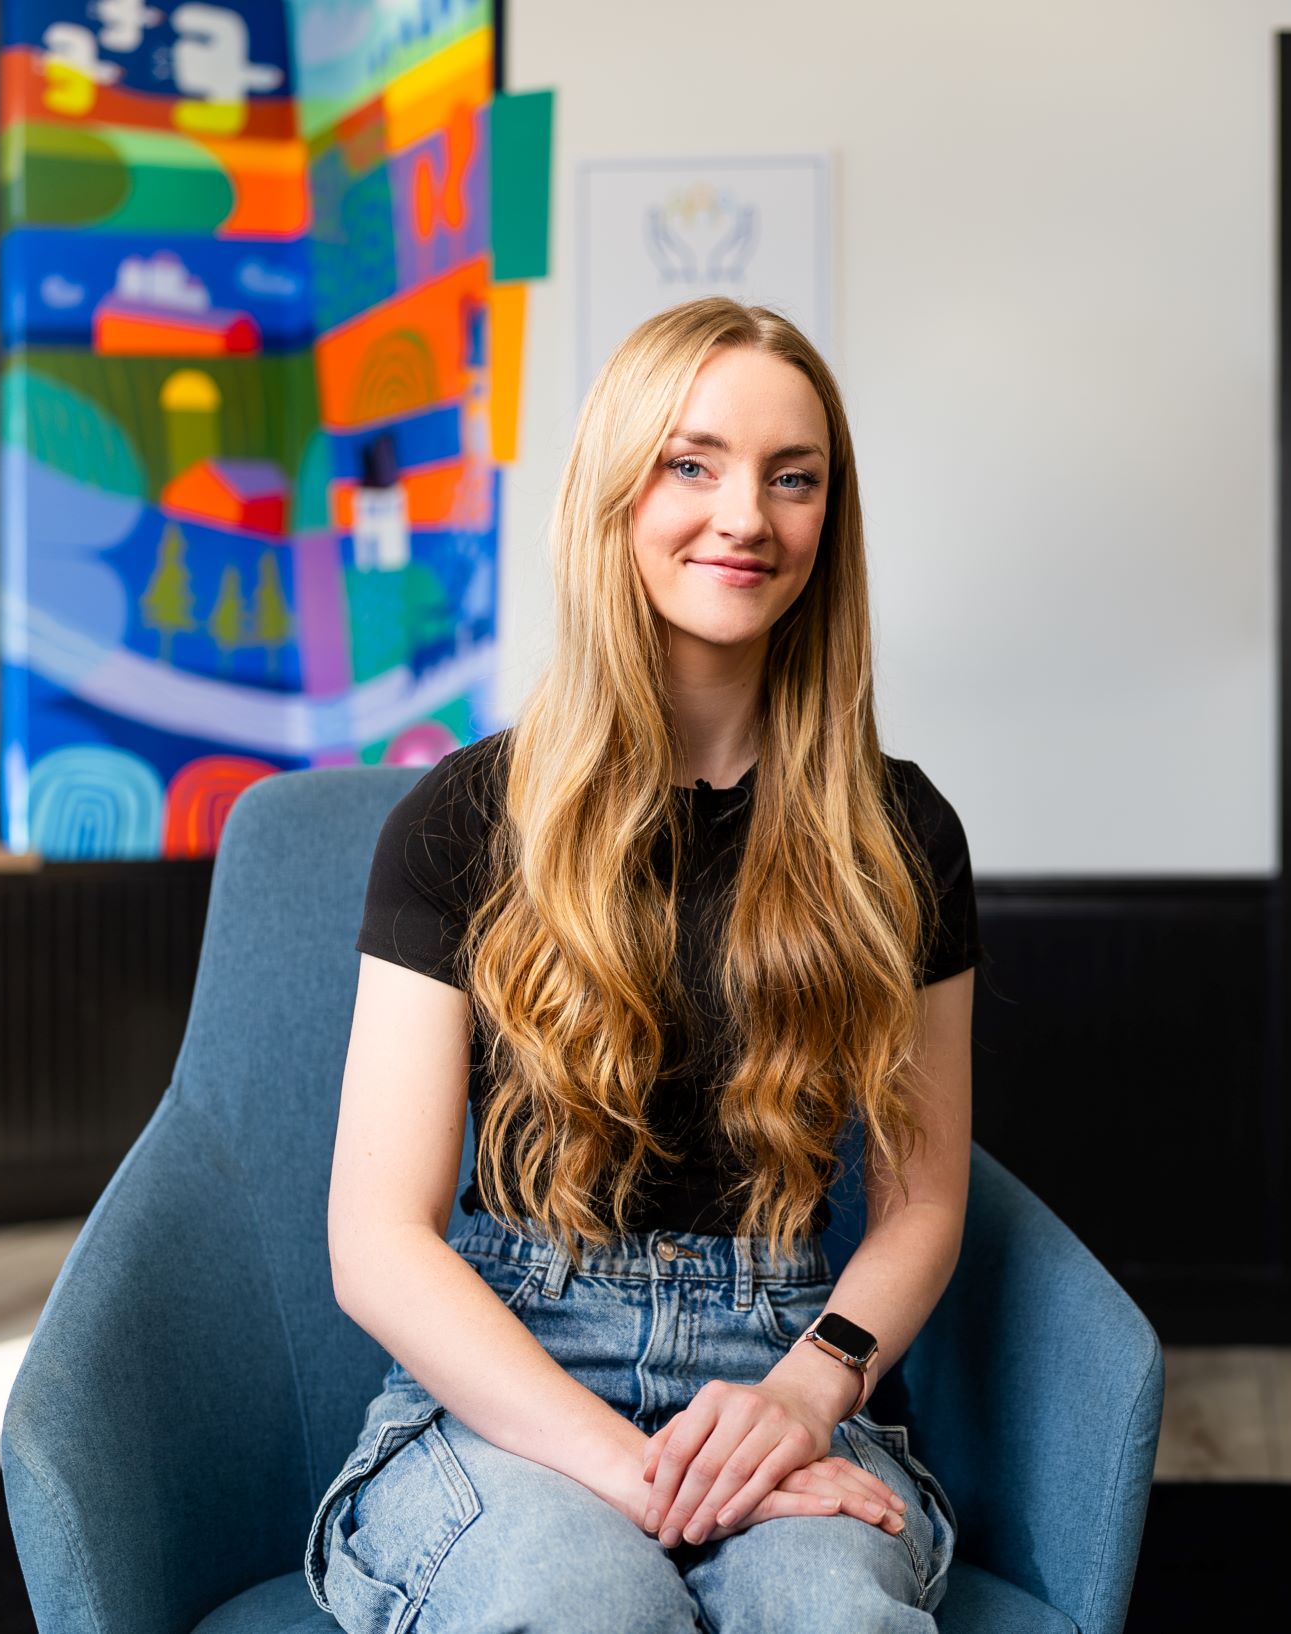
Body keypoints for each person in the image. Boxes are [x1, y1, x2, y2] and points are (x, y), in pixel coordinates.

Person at [301, 296, 975, 1631]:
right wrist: (643, 1472)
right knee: (592, 1610)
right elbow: (376, 1241)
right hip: (507, 1384)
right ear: (614, 490)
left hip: (778, 1362)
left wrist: (806, 1392)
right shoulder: (460, 819)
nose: (747, 516)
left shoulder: (903, 831)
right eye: (693, 462)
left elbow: (923, 1204)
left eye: (796, 478)